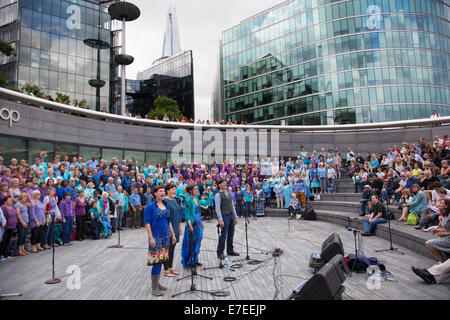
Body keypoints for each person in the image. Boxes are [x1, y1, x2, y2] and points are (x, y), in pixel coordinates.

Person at [144, 186, 177, 296]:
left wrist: (172, 234)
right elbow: (147, 223)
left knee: (162, 260)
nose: (163, 193)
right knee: (156, 263)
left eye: (163, 191)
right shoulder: (150, 206)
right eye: (160, 191)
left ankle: (157, 283)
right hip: (156, 237)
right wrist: (151, 238)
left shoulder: (166, 204)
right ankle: (154, 287)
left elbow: (169, 221)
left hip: (166, 237)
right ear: (155, 194)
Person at [181, 184, 205, 267]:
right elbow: (187, 214)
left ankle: (195, 259)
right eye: (195, 189)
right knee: (191, 242)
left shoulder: (197, 198)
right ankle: (190, 261)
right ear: (190, 191)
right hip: (192, 222)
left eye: (197, 189)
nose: (196, 191)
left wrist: (201, 222)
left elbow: (198, 211)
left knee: (198, 241)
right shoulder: (188, 200)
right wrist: (189, 224)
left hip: (198, 221)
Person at [215, 179, 239, 260]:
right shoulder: (218, 195)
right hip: (224, 216)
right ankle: (220, 252)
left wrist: (235, 216)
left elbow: (232, 205)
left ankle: (230, 250)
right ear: (219, 185)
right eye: (223, 183)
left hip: (231, 215)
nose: (225, 184)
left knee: (231, 234)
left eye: (226, 183)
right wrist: (220, 219)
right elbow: (217, 208)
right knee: (223, 234)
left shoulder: (229, 193)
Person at [163, 184, 183, 277]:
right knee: (168, 248)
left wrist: (179, 226)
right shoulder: (165, 201)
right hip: (168, 227)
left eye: (175, 189)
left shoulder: (175, 200)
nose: (174, 191)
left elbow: (178, 213)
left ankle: (170, 267)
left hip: (175, 225)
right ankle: (166, 269)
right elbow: (166, 216)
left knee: (172, 248)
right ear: (167, 191)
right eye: (172, 189)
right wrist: (169, 230)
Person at [425, 199, 450, 263]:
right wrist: (438, 230)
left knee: (429, 243)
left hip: (448, 238)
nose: (439, 204)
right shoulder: (445, 214)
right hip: (446, 237)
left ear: (446, 206)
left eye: (441, 203)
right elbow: (447, 228)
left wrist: (445, 234)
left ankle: (442, 261)